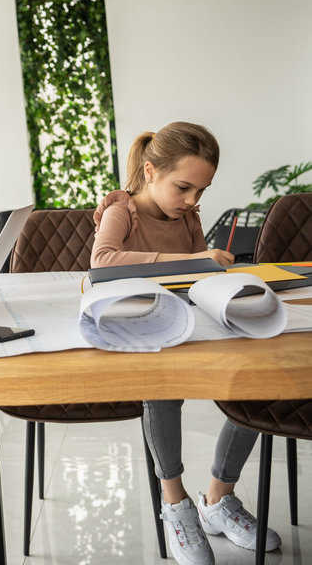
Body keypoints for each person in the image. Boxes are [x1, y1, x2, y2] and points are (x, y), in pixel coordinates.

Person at [91, 121, 280, 565]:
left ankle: (218, 498)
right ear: (151, 171)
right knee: (161, 389)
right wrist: (191, 258)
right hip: (145, 327)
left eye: (201, 191)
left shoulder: (188, 217)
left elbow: (199, 277)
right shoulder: (123, 211)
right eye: (184, 188)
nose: (193, 201)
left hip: (193, 322)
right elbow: (101, 262)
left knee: (254, 378)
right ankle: (176, 504)